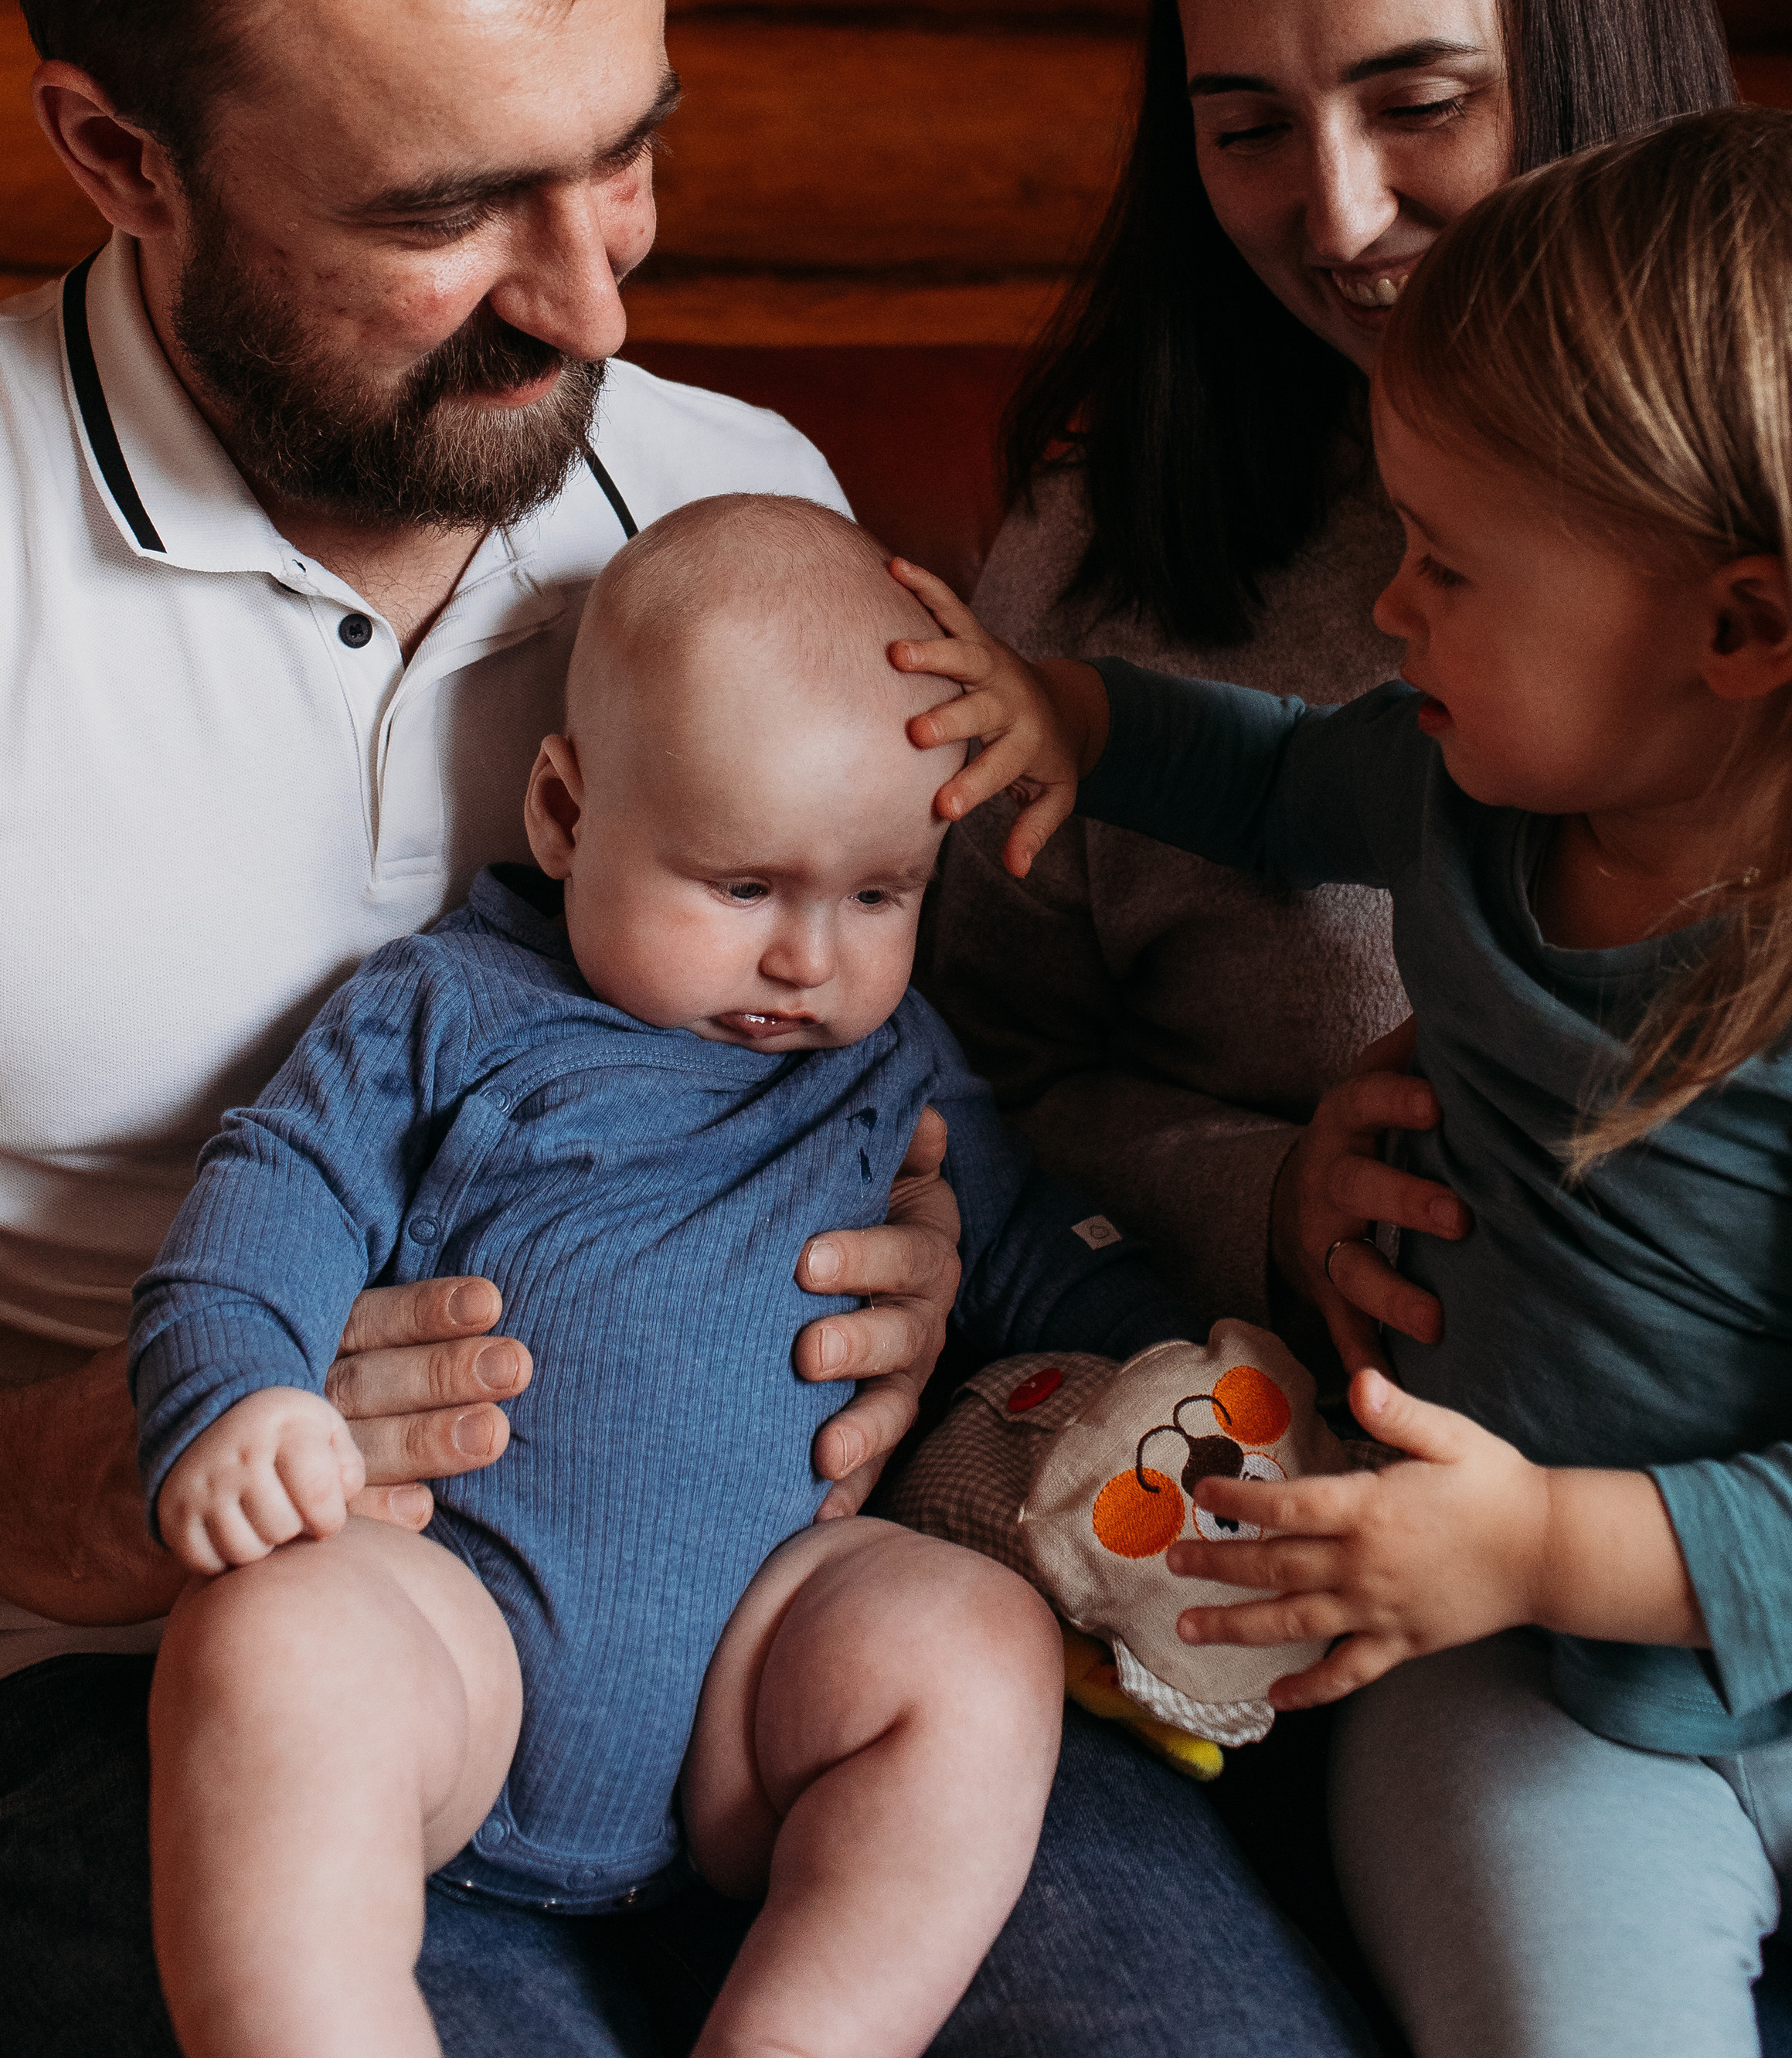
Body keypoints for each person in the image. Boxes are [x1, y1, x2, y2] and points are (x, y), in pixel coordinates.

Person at [0, 0, 1377, 2058]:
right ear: (121, 152)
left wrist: (942, 1302)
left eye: (627, 155)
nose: (600, 308)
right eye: (443, 210)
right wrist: (72, 1473)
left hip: (761, 1636)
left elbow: (931, 1095)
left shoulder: (743, 506)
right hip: (172, 1669)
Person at [898, 108, 1792, 2055]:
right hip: (1501, 1669)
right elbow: (1257, 769)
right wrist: (1064, 712)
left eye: (1445, 566)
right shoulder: (1460, 792)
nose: (1386, 606)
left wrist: (1545, 1532)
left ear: (1738, 628)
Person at [136, 497, 1199, 2058]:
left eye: (878, 896)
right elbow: (270, 1198)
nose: (807, 960)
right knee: (270, 1641)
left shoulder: (892, 1062)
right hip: (448, 1638)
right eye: (742, 887)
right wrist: (236, 1398)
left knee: (975, 1644)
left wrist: (1182, 1361)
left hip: (758, 1688)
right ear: (565, 813)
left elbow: (1035, 1244)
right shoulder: (448, 1012)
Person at [923, 0, 1736, 1327]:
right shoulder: (1098, 559)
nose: (1341, 218)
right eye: (1247, 130)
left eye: (1420, 103)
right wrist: (1265, 1201)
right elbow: (960, 1075)